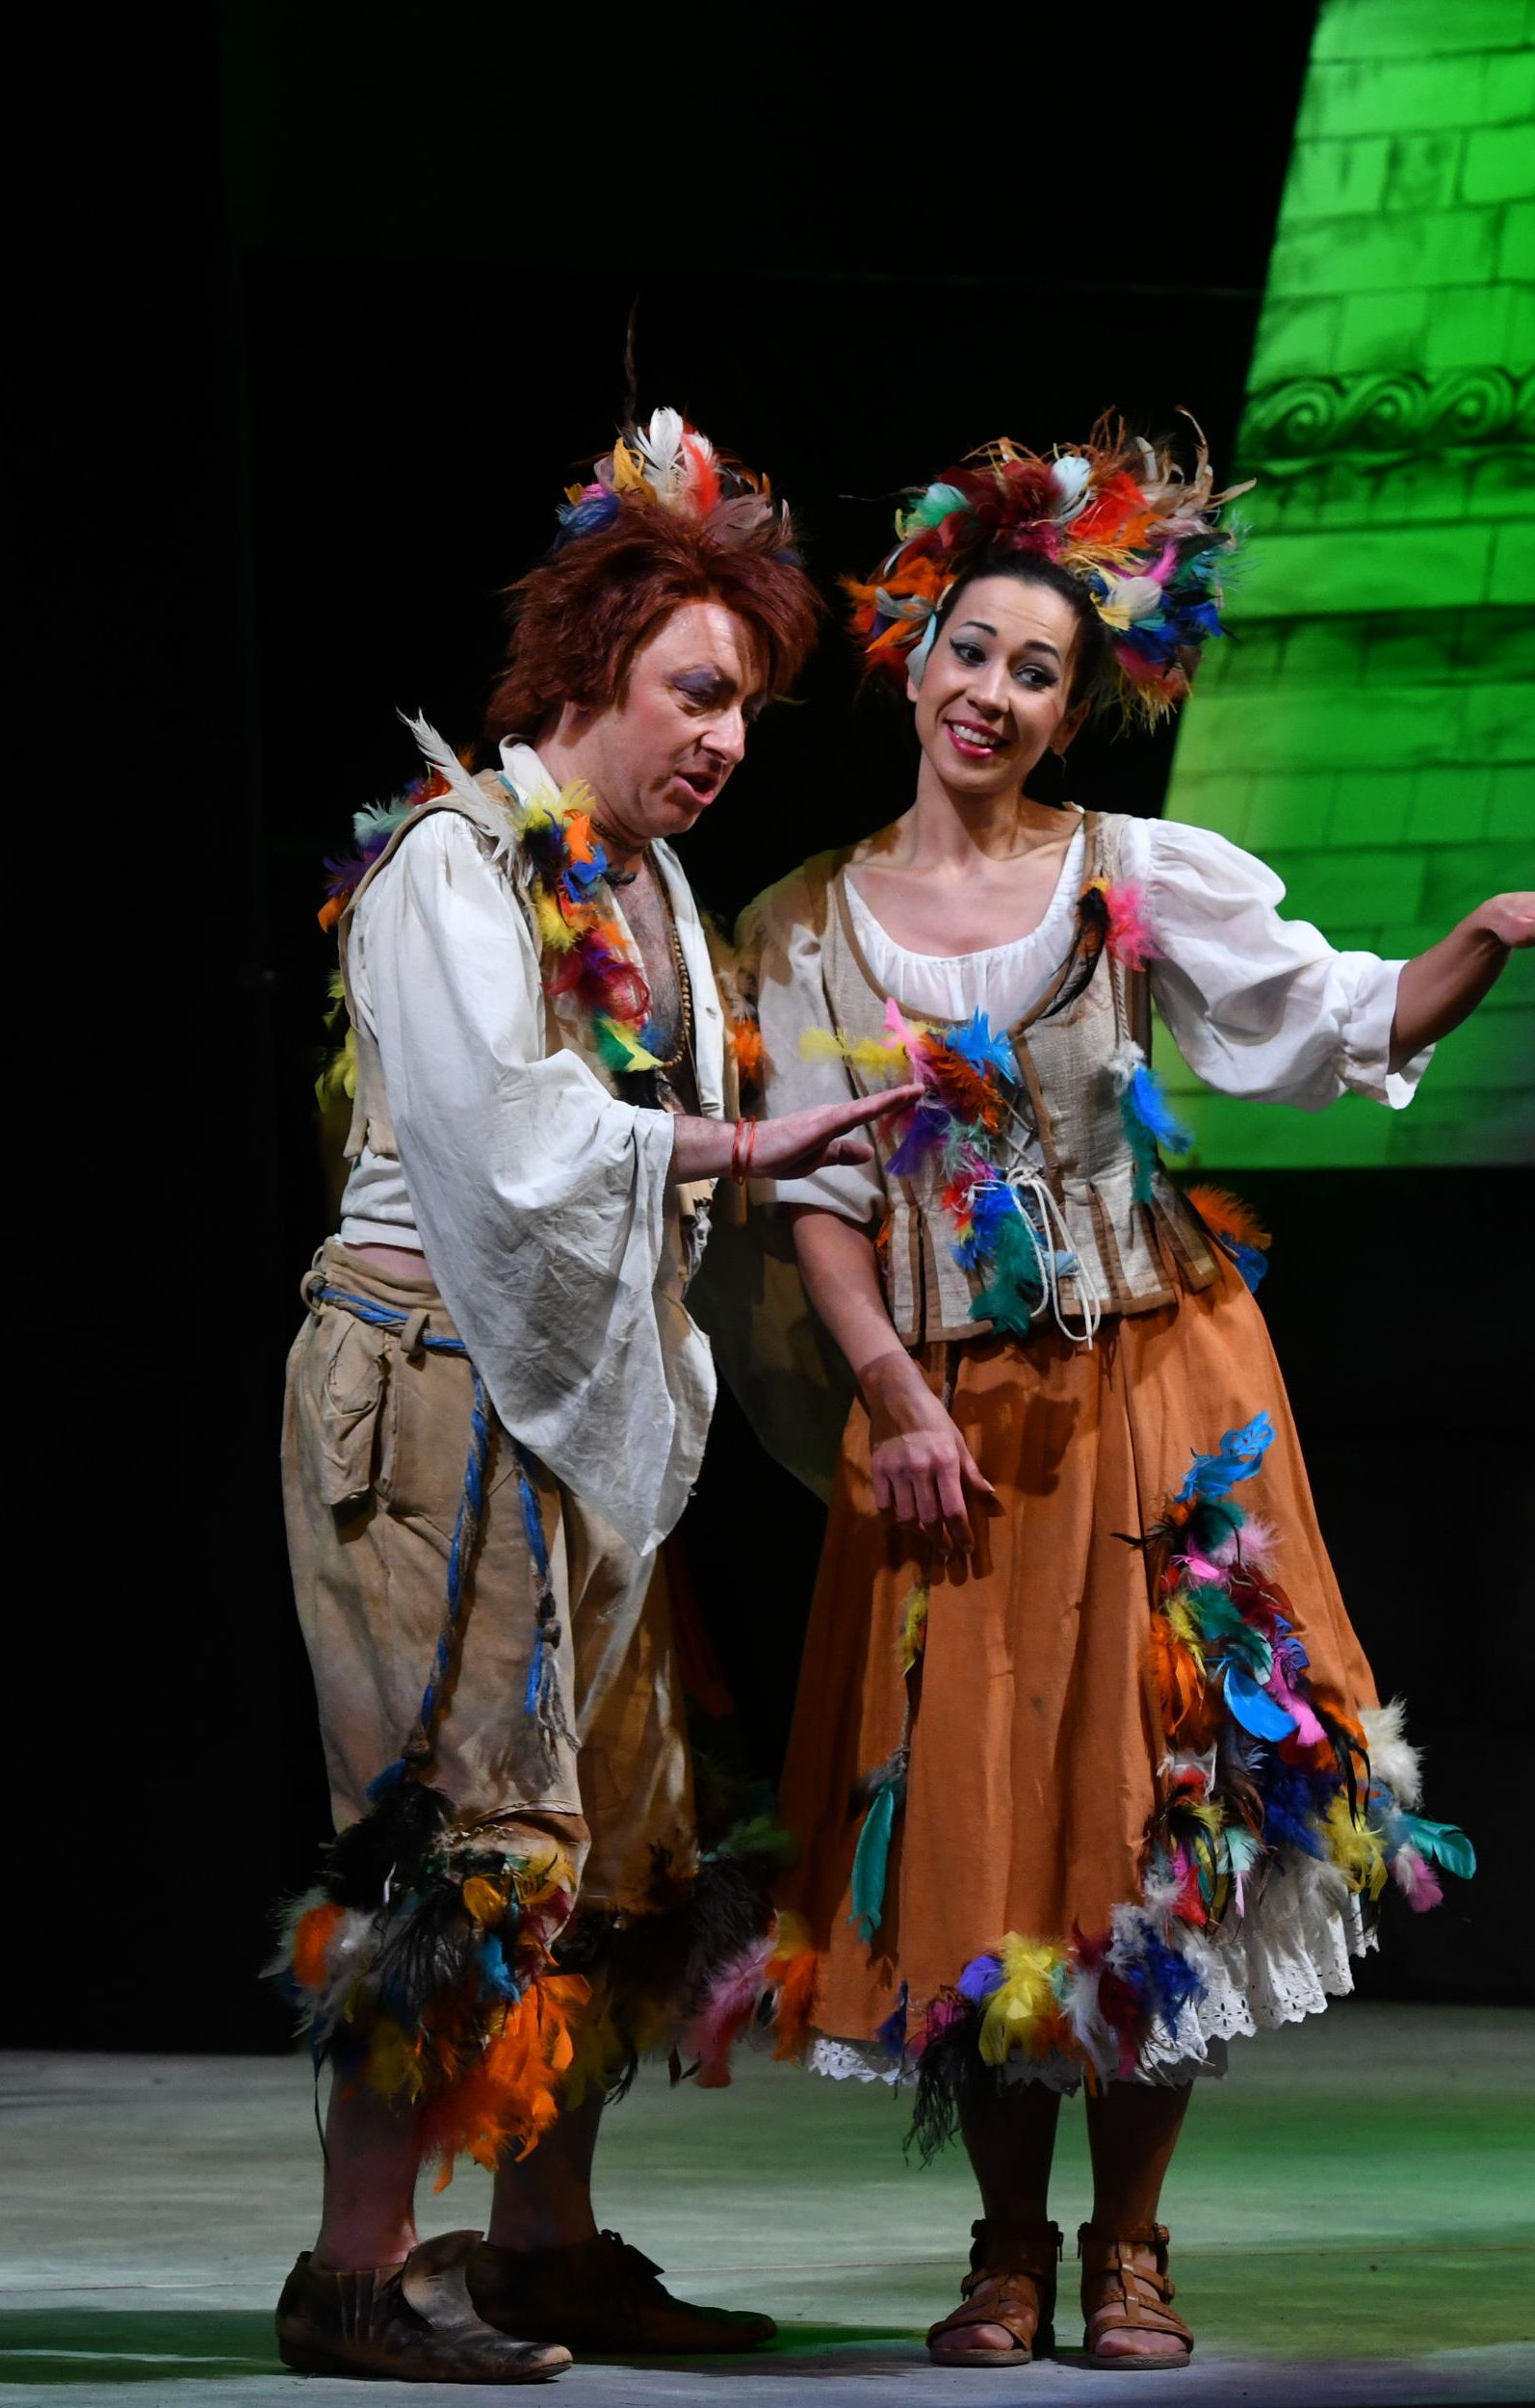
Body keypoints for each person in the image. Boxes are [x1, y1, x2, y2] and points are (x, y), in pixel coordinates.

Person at [729, 426, 1535, 2369]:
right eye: (971, 651)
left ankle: (1129, 2247)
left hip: (1149, 1389)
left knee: (1153, 1817)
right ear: (913, 659)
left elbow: (1330, 1016)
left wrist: (1479, 943)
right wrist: (898, 1398)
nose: (993, 692)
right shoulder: (801, 922)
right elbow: (817, 1207)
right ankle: (1006, 2245)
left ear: (1070, 711)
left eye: (1036, 672)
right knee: (982, 1824)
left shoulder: (1129, 878)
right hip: (947, 1424)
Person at [269, 410, 919, 2384]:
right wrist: (734, 1148)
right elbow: (503, 1133)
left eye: (745, 710)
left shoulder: (650, 891)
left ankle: (543, 2248)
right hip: (431, 1386)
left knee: (611, 1845)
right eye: (693, 693)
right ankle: (355, 2272)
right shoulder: (451, 863)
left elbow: (667, 1134)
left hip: (584, 1396)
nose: (723, 739)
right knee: (461, 1841)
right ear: (587, 667)